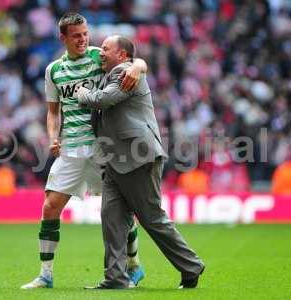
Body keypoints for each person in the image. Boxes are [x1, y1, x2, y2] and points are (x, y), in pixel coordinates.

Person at [21, 13, 146, 289]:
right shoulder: (53, 70)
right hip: (70, 148)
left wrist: (138, 66)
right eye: (76, 35)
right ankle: (45, 274)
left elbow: (132, 59)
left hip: (102, 146)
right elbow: (53, 112)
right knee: (50, 207)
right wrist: (53, 137)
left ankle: (134, 265)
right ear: (63, 38)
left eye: (85, 33)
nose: (83, 39)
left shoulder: (97, 57)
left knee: (120, 209)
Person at [77, 35, 205, 289]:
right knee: (112, 218)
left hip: (138, 157)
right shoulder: (116, 72)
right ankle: (115, 278)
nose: (101, 52)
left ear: (122, 55)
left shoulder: (127, 72)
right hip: (117, 159)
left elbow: (102, 100)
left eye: (106, 48)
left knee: (152, 218)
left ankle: (191, 266)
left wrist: (83, 93)